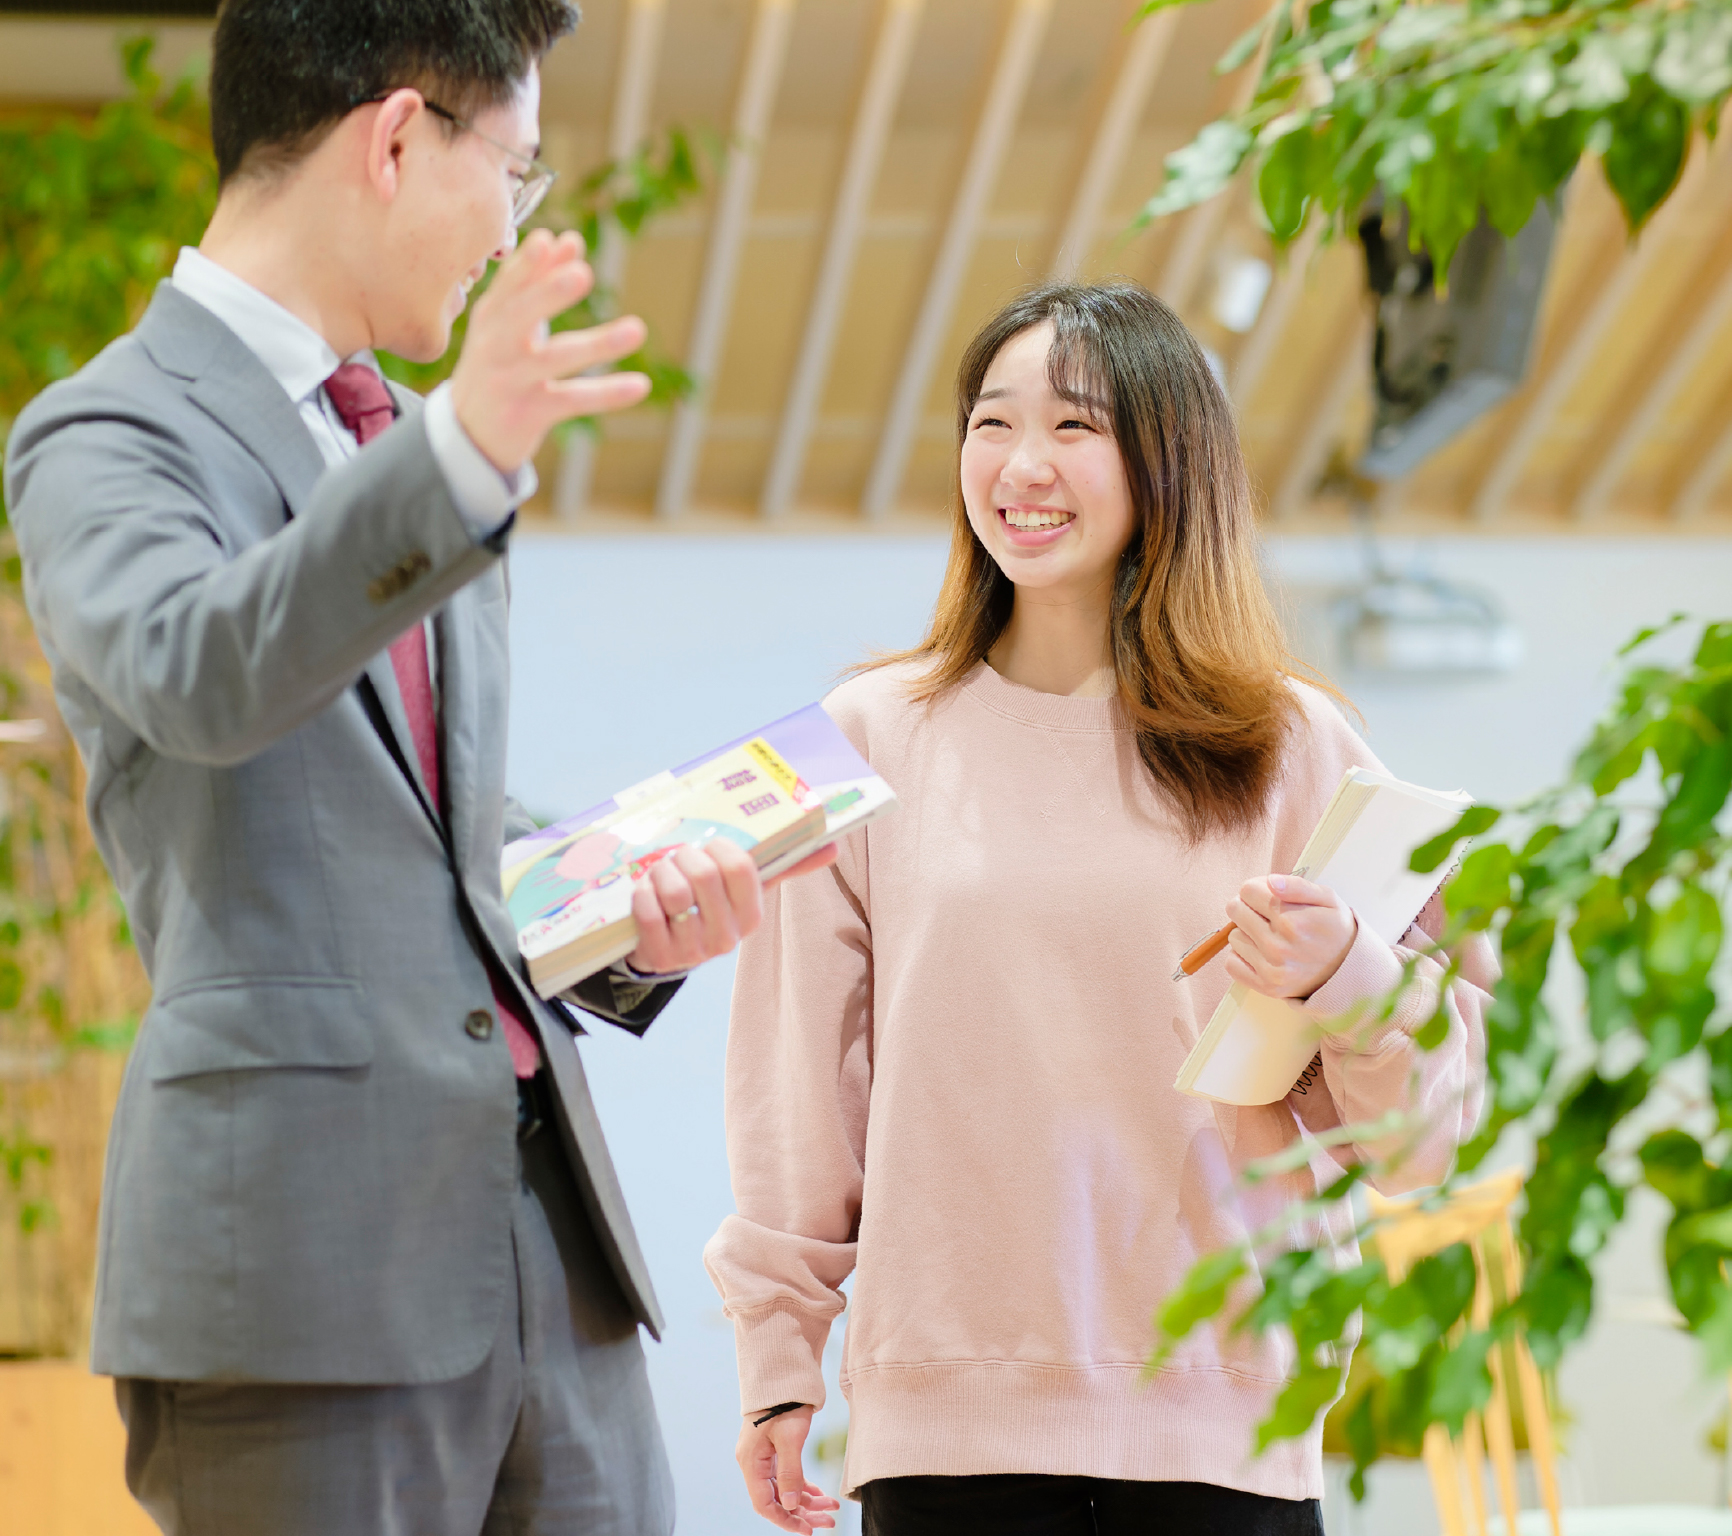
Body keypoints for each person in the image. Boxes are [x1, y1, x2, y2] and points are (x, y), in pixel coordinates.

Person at [4, 3, 827, 1532]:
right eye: (513, 175)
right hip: (303, 1274)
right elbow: (199, 669)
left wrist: (623, 903)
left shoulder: (388, 431)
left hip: (543, 1252)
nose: (512, 229)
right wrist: (454, 461)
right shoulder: (104, 434)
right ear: (396, 139)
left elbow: (428, 824)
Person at [704, 281, 1495, 1536]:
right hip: (943, 1424)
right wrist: (776, 1355)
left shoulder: (1288, 742)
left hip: (1223, 1420)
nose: (1023, 466)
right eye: (991, 423)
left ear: (1168, 461)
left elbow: (1423, 1141)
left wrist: (1342, 969)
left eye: (1076, 427)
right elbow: (802, 1082)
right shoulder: (863, 737)